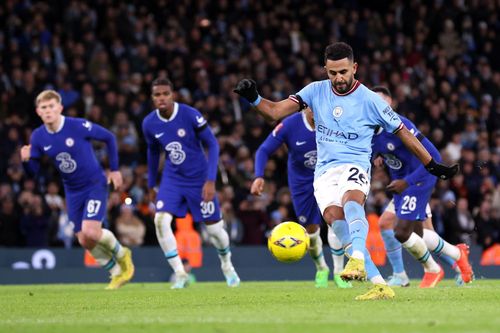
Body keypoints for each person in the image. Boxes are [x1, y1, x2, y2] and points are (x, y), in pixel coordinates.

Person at [234, 42, 458, 300]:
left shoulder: (371, 101)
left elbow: (404, 133)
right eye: (332, 73)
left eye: (343, 72)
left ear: (354, 68)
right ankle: (380, 285)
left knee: (352, 201)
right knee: (336, 223)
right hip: (324, 173)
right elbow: (274, 112)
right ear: (325, 70)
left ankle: (359, 258)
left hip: (355, 164)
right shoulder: (314, 91)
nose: (338, 78)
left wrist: (431, 164)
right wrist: (254, 98)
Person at [20, 90, 134, 290]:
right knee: (84, 240)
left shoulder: (77, 125)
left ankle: (123, 254)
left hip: (94, 184)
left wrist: (115, 170)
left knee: (91, 231)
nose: (48, 111)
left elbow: (109, 137)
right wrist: (26, 160)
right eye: (44, 108)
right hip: (72, 190)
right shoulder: (38, 136)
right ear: (38, 111)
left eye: (51, 106)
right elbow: (33, 173)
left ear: (60, 108)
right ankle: (116, 273)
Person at [142, 77, 240, 289]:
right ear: (152, 98)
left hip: (199, 179)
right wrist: (151, 184)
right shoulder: (149, 123)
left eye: (165, 94)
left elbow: (212, 145)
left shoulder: (189, 114)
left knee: (215, 231)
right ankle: (179, 273)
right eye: (157, 94)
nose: (161, 98)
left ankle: (227, 265)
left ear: (172, 95)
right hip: (172, 179)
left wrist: (211, 180)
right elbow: (152, 152)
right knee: (160, 220)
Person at [371, 86, 473, 288]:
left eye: (382, 102)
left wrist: (406, 182)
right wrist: (379, 157)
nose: (377, 107)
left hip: (418, 180)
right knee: (418, 233)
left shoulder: (402, 125)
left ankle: (432, 269)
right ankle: (457, 254)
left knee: (401, 232)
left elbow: (434, 157)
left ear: (390, 104)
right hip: (400, 184)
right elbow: (383, 148)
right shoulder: (369, 128)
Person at [251, 108, 351, 289]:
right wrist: (259, 175)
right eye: (314, 106)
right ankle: (321, 268)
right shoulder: (290, 125)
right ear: (305, 107)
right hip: (302, 183)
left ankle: (338, 272)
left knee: (335, 220)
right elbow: (264, 150)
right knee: (311, 231)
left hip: (330, 177)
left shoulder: (335, 122)